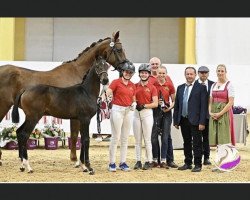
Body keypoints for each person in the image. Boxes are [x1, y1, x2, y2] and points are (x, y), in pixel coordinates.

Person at [173, 66, 208, 172]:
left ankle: (198, 164)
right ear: (185, 75)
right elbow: (177, 105)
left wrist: (202, 122)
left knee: (197, 143)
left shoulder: (201, 88)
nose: (189, 76)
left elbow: (204, 107)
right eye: (187, 74)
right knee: (186, 142)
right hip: (183, 119)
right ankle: (187, 163)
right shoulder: (180, 88)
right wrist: (176, 120)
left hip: (196, 121)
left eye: (191, 74)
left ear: (195, 75)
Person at [105, 61, 136, 172]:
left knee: (125, 138)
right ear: (123, 72)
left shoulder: (132, 85)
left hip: (128, 111)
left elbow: (133, 98)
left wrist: (134, 103)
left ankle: (123, 162)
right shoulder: (116, 82)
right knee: (115, 137)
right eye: (127, 71)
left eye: (130, 72)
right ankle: (112, 163)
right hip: (117, 110)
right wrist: (103, 99)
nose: (128, 73)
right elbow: (108, 92)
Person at [148, 57, 178, 168]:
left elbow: (174, 99)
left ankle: (168, 160)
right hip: (154, 112)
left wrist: (169, 108)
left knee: (167, 137)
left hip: (166, 112)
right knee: (154, 136)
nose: (155, 65)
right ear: (150, 65)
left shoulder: (168, 81)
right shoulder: (150, 80)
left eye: (157, 64)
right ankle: (155, 159)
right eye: (153, 64)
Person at [133, 63, 158, 170]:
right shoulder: (134, 86)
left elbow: (155, 103)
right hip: (136, 114)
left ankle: (149, 160)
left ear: (149, 74)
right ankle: (138, 161)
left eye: (145, 73)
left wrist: (144, 105)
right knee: (137, 140)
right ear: (139, 74)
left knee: (147, 139)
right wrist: (136, 104)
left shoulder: (152, 87)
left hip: (147, 113)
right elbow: (132, 98)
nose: (143, 75)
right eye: (142, 73)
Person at [209, 64, 235, 147]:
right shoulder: (213, 85)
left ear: (226, 72)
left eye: (222, 71)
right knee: (216, 137)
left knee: (224, 137)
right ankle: (220, 158)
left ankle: (227, 159)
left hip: (225, 113)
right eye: (218, 71)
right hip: (214, 113)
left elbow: (230, 102)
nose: (220, 73)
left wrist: (220, 114)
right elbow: (210, 101)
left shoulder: (229, 85)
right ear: (216, 72)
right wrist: (210, 112)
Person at [195, 66, 214, 165]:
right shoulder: (193, 84)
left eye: (205, 72)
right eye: (201, 72)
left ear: (208, 73)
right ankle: (197, 156)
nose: (203, 74)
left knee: (206, 137)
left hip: (208, 115)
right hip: (196, 116)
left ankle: (206, 157)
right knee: (197, 138)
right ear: (198, 73)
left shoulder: (213, 84)